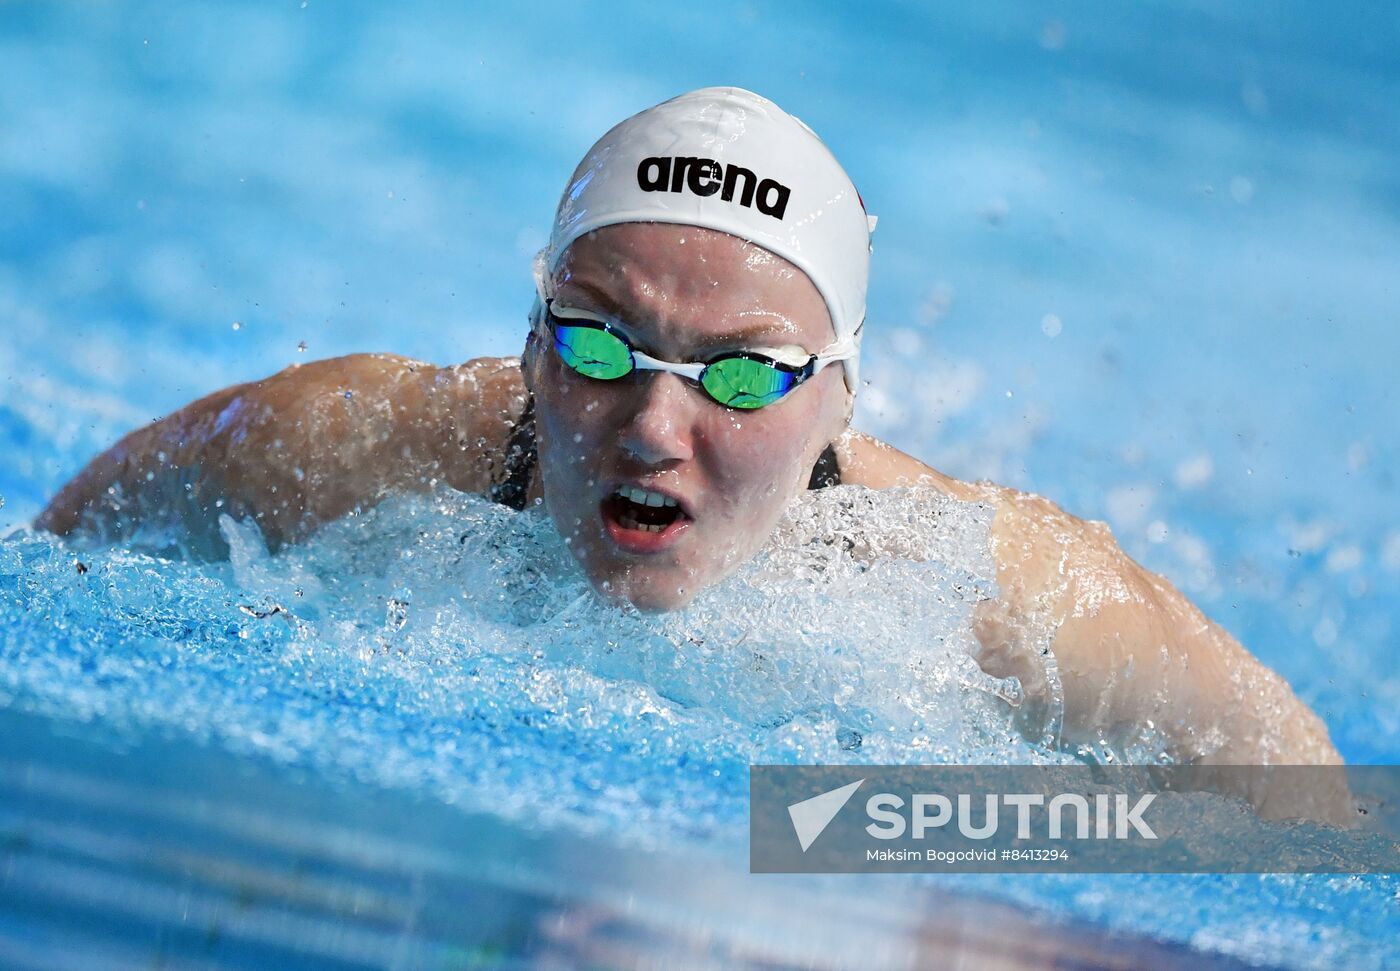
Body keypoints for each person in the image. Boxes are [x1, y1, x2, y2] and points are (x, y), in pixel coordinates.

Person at [36, 87, 1344, 793]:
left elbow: (1321, 823)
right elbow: (49, 573)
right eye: (601, 347)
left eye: (741, 375)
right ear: (535, 340)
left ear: (841, 399)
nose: (653, 428)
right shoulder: (352, 445)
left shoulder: (1000, 591)